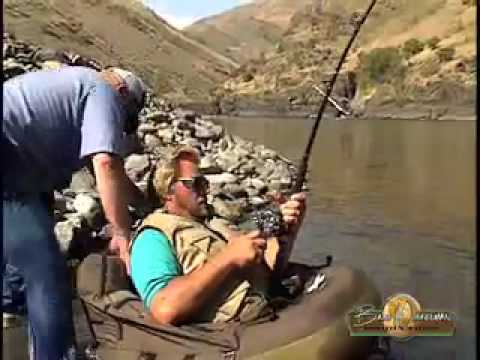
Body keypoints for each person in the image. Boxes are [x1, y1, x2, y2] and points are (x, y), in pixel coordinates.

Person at [3, 65, 147, 359]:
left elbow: (108, 175)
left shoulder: (73, 91)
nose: (119, 129)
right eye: (125, 119)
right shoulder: (102, 92)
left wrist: (145, 204)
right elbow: (106, 163)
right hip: (9, 161)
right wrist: (121, 233)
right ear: (122, 94)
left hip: (20, 167)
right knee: (47, 278)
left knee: (21, 284)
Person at [130, 147, 306, 325]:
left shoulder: (215, 223)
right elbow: (165, 309)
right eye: (194, 183)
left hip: (268, 308)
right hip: (235, 333)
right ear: (168, 191)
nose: (203, 190)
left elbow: (268, 270)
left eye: (204, 183)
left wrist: (285, 234)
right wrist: (228, 258)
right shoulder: (152, 238)